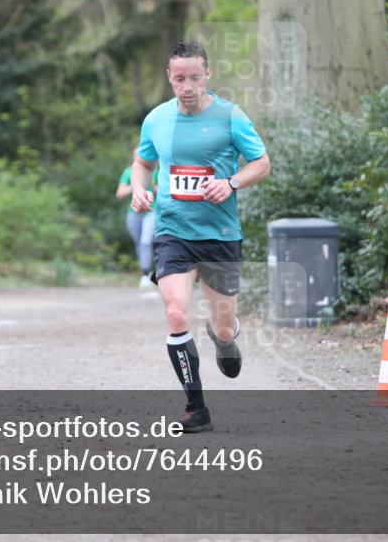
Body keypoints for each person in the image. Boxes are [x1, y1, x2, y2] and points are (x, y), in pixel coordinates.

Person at [130, 41, 271, 433]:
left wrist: (231, 182)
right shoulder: (156, 119)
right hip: (173, 231)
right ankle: (196, 408)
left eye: (194, 77)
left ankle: (225, 339)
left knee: (223, 327)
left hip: (220, 234)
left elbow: (262, 163)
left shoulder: (230, 116)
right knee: (176, 313)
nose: (187, 86)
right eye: (179, 79)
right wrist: (141, 189)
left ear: (207, 75)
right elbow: (142, 162)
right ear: (169, 79)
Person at [116, 153, 158, 287]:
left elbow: (163, 190)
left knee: (146, 241)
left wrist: (153, 185)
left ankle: (146, 274)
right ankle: (146, 271)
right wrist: (136, 186)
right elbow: (120, 193)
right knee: (139, 243)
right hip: (134, 212)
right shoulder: (128, 172)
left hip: (151, 210)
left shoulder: (156, 171)